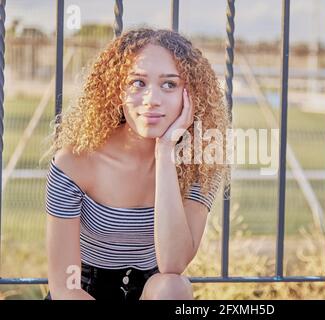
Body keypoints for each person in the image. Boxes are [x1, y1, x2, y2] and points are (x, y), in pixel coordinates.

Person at [41, 28, 230, 300]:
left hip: (150, 293)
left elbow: (173, 264)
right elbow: (64, 286)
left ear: (191, 95)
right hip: (79, 293)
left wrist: (164, 153)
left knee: (173, 286)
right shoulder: (74, 161)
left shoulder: (199, 165)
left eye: (169, 84)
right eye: (137, 83)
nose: (152, 99)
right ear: (117, 90)